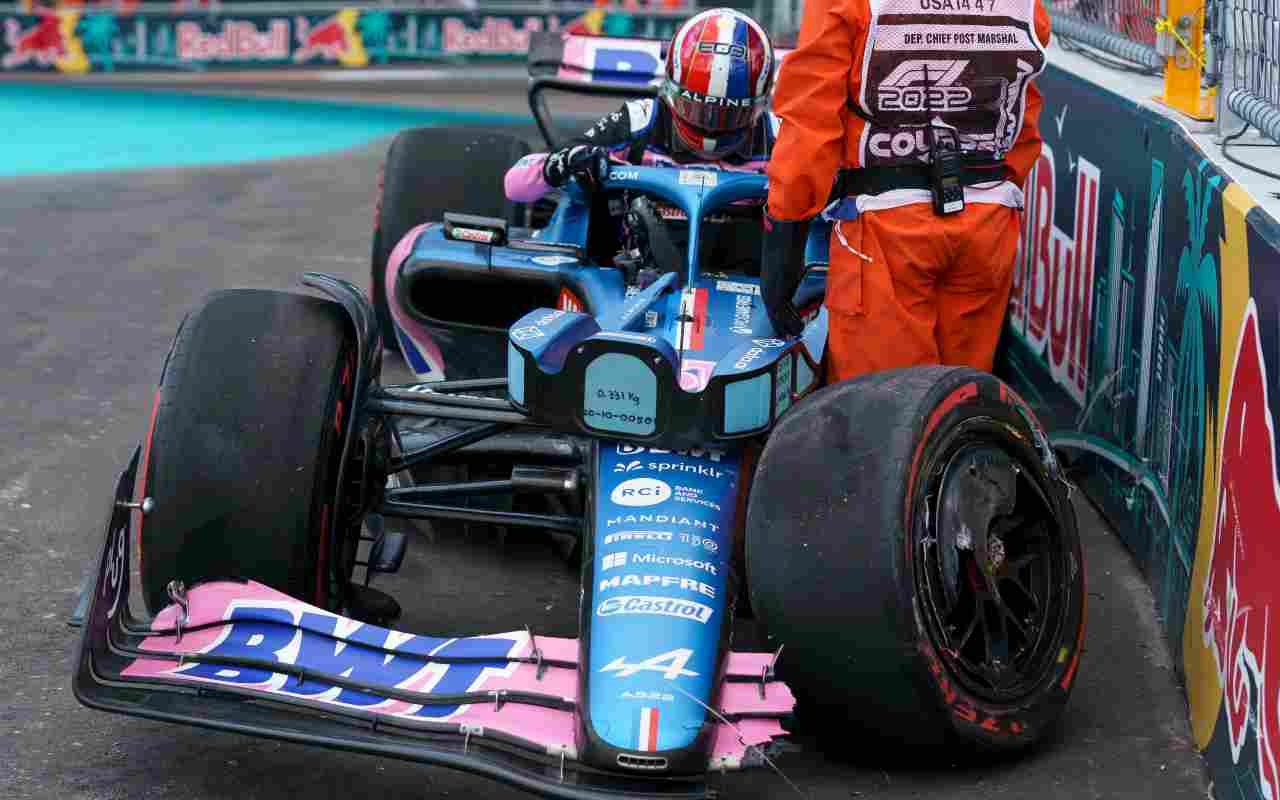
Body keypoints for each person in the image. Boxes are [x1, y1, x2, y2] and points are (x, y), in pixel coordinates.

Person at [759, 0, 1052, 383]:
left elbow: (810, 117)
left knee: (884, 416)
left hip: (886, 225)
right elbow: (1023, 105)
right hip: (987, 221)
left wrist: (785, 233)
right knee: (956, 412)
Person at [504, 7, 778, 272]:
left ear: (759, 105)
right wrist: (563, 165)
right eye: (698, 109)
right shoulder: (640, 120)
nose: (710, 126)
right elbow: (514, 184)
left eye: (728, 114)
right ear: (672, 91)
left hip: (751, 288)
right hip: (631, 282)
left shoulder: (777, 136)